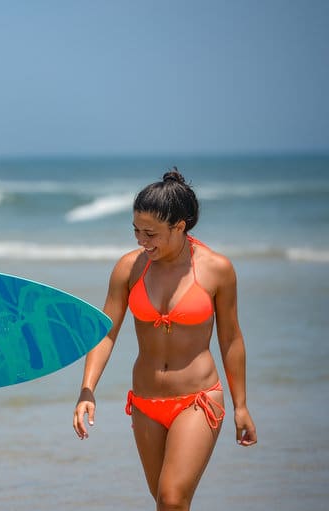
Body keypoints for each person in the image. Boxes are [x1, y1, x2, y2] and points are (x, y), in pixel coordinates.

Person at [73, 169, 257, 511]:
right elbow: (106, 332)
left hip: (198, 400)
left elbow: (231, 338)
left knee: (172, 499)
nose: (142, 241)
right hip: (146, 402)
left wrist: (241, 405)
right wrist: (87, 389)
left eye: (151, 233)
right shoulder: (129, 268)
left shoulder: (217, 269)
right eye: (136, 231)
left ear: (180, 227)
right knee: (164, 501)